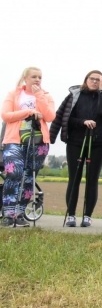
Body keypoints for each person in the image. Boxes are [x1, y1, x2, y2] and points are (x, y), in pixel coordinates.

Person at [49, 70, 102, 227]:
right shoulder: (75, 95)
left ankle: (87, 216)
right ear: (86, 80)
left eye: (98, 80)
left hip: (98, 143)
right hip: (75, 141)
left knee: (93, 179)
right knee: (75, 178)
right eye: (92, 79)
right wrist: (82, 122)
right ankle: (71, 214)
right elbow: (63, 116)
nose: (94, 82)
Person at [1, 67, 56, 227]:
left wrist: (39, 96)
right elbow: (5, 115)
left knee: (29, 177)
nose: (37, 79)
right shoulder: (14, 94)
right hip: (14, 139)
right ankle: (8, 213)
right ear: (25, 78)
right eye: (34, 77)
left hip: (38, 141)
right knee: (14, 172)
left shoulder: (45, 96)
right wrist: (28, 112)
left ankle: (20, 213)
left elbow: (50, 116)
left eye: (40, 77)